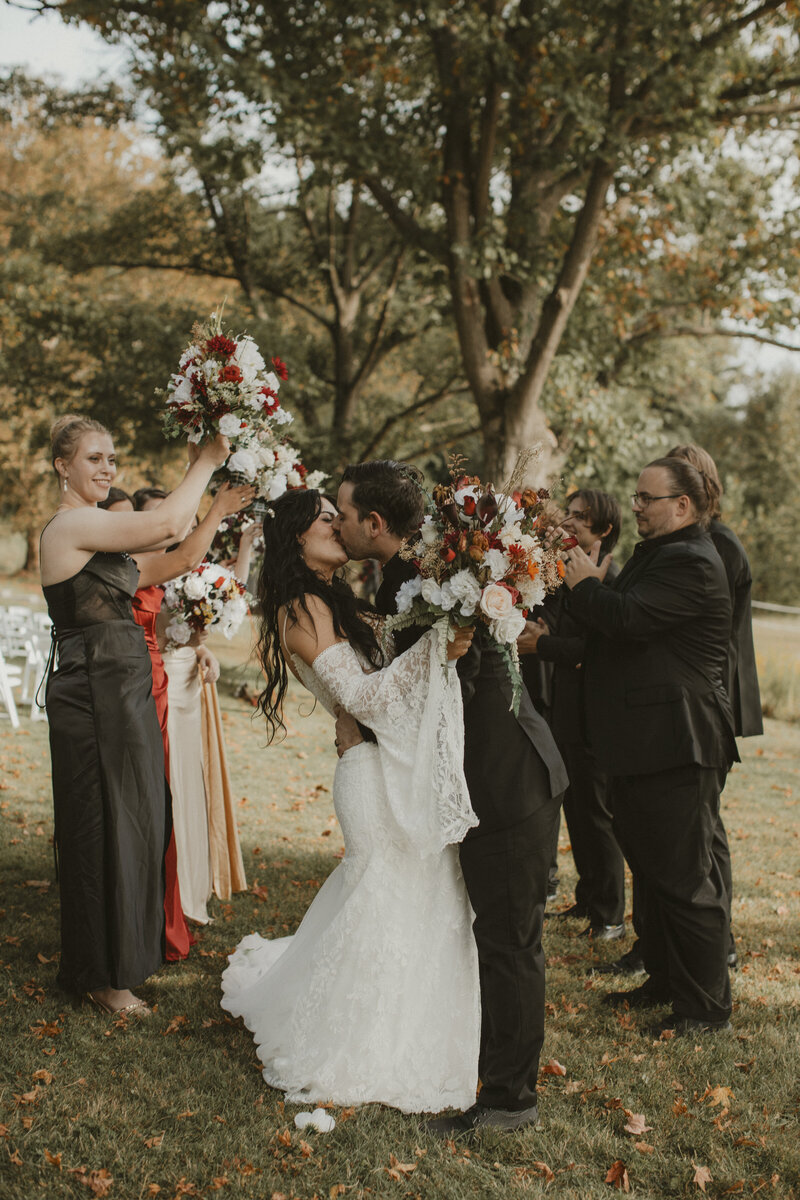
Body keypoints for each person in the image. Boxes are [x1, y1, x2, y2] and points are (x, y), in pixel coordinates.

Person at [221, 489, 481, 1114]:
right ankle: (354, 1043)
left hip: (390, 760)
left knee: (421, 893)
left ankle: (420, 1025)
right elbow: (361, 698)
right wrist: (434, 647)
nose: (339, 527)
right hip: (368, 771)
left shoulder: (335, 598)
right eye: (326, 521)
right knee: (381, 897)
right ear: (296, 537)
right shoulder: (298, 606)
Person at [334, 461, 567, 1135]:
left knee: (509, 939)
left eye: (344, 514)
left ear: (374, 525)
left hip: (507, 779)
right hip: (483, 776)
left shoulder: (431, 582)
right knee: (498, 935)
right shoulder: (416, 577)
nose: (340, 523)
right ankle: (491, 1073)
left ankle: (508, 1100)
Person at [40, 415, 229, 1016]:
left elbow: (172, 559)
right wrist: (207, 457)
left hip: (122, 687)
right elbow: (167, 523)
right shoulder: (68, 526)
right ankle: (102, 975)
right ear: (61, 467)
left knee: (138, 815)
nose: (107, 468)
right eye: (93, 458)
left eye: (112, 458)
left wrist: (220, 509)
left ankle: (119, 961)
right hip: (94, 690)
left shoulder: (100, 538)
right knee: (101, 823)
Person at [563, 457, 738, 1035]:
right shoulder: (661, 555)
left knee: (687, 882)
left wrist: (586, 584)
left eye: (646, 498)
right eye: (636, 495)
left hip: (680, 743)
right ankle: (664, 980)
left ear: (682, 506)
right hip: (645, 743)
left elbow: (629, 620)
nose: (634, 505)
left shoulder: (691, 561)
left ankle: (705, 1010)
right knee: (656, 874)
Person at [132, 485, 254, 928]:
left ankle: (189, 890)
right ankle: (159, 893)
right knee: (164, 785)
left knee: (189, 784)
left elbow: (230, 595)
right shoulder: (138, 570)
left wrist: (200, 645)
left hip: (187, 681)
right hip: (153, 679)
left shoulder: (189, 570)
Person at [519, 489, 625, 939]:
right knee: (577, 810)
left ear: (604, 530)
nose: (571, 524)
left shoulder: (609, 580)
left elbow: (596, 650)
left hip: (597, 712)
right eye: (570, 515)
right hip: (565, 706)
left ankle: (610, 917)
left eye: (583, 518)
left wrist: (544, 644)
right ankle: (588, 900)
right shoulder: (561, 574)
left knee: (596, 814)